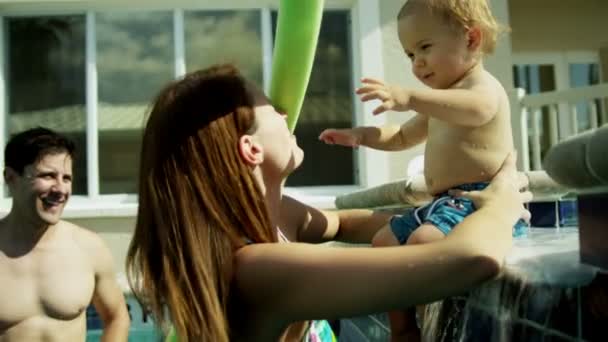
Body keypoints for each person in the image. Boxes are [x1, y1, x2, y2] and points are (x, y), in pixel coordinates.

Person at [125, 64, 531, 342]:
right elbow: (470, 260)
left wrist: (445, 212)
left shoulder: (280, 220)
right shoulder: (259, 271)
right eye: (271, 108)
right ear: (250, 149)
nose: (285, 113)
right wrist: (501, 200)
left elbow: (347, 222)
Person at [319, 1, 525, 339]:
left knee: (422, 241)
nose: (417, 63)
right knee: (384, 242)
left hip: (477, 201)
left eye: (425, 48)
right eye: (410, 55)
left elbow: (476, 111)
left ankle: (430, 326)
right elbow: (401, 136)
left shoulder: (482, 89)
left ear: (471, 39)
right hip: (443, 203)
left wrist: (408, 97)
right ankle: (403, 329)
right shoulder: (442, 101)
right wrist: (361, 136)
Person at [0, 127, 130, 341]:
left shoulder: (89, 248)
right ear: (11, 178)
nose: (60, 189)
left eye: (67, 178)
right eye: (48, 175)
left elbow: (117, 317)